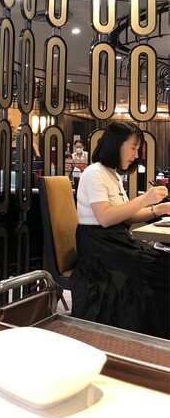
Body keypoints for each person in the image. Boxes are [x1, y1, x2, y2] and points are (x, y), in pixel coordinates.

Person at [70, 121, 170, 339]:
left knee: (162, 262)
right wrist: (146, 198)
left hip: (115, 240)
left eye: (138, 150)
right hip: (99, 246)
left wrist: (159, 209)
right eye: (133, 148)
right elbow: (105, 217)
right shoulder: (94, 172)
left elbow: (125, 215)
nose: (136, 155)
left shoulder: (112, 175)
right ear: (116, 144)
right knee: (159, 268)